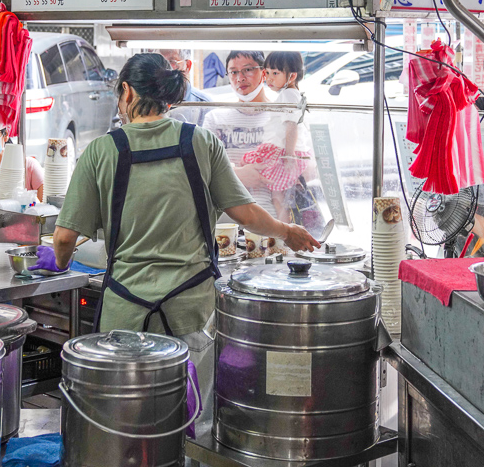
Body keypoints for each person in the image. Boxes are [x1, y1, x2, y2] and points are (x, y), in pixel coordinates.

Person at [51, 54, 319, 418]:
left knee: (127, 424)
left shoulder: (101, 150)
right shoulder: (201, 142)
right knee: (192, 419)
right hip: (192, 312)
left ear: (126, 91)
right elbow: (246, 214)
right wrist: (288, 232)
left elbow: (65, 237)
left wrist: (62, 264)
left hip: (125, 313)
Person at [201, 51, 278, 218]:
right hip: (225, 221)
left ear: (263, 73)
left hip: (271, 219)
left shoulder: (281, 116)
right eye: (233, 72)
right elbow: (202, 169)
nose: (240, 78)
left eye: (248, 70)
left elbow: (305, 169)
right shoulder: (215, 118)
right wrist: (238, 175)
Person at [240, 52, 313, 221]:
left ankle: (282, 228)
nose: (269, 79)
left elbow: (291, 126)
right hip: (285, 150)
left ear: (292, 76)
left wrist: (289, 154)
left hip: (283, 151)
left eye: (275, 73)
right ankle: (283, 226)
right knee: (278, 195)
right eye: (267, 73)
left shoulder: (288, 95)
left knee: (276, 195)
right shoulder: (292, 94)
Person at [157, 48, 210, 126]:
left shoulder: (204, 105)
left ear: (187, 66)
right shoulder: (147, 99)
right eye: (159, 62)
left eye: (171, 61)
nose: (164, 68)